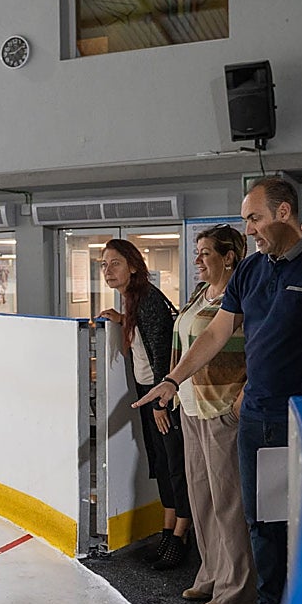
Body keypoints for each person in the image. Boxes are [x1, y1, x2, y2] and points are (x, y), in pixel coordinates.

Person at [134, 178, 302, 604]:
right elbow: (214, 335)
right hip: (259, 419)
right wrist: (172, 380)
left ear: (284, 213)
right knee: (261, 519)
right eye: (245, 219)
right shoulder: (250, 273)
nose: (250, 228)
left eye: (254, 218)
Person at [173, 225, 257, 604]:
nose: (198, 261)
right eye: (198, 253)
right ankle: (209, 573)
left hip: (222, 406)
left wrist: (244, 393)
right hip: (192, 405)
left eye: (205, 253)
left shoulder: (241, 297)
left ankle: (237, 586)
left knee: (228, 501)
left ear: (228, 257)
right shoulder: (197, 296)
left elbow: (259, 349)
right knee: (202, 498)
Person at [98, 238, 193, 570]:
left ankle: (181, 535)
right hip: (148, 391)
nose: (108, 270)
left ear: (133, 266)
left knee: (174, 465)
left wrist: (160, 403)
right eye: (104, 265)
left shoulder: (148, 301)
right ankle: (168, 530)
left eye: (115, 263)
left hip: (160, 394)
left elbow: (161, 351)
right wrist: (122, 321)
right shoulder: (133, 301)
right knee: (162, 464)